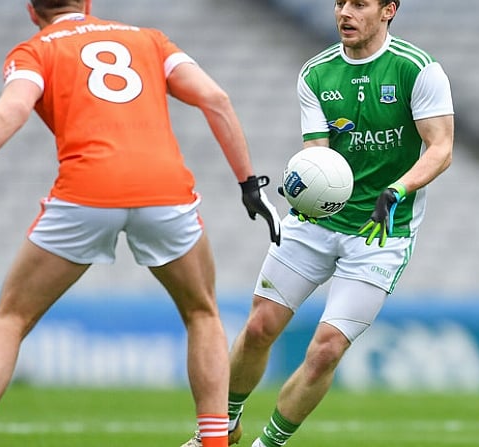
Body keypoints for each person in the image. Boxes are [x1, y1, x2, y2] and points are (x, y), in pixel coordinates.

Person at [0, 1, 281, 446]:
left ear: (32, 10)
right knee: (202, 313)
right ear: (86, 2)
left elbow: (14, 108)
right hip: (163, 189)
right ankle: (215, 440)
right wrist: (248, 185)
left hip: (86, 190)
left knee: (11, 317)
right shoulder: (149, 39)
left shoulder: (34, 51)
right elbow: (215, 99)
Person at [182, 1, 453, 446]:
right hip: (315, 223)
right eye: (340, 2)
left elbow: (440, 148)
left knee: (326, 349)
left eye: (359, 4)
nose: (345, 12)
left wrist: (395, 191)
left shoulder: (418, 70)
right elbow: (318, 155)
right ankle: (221, 430)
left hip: (380, 232)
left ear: (388, 10)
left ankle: (267, 445)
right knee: (259, 327)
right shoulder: (316, 73)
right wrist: (301, 183)